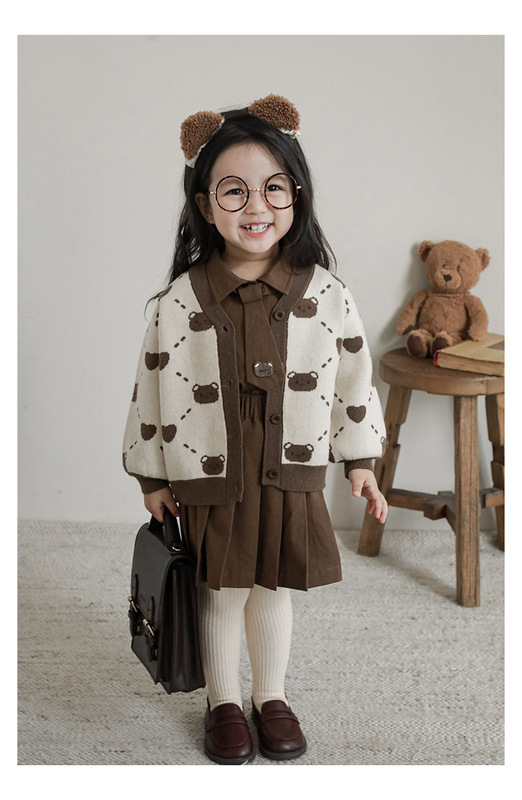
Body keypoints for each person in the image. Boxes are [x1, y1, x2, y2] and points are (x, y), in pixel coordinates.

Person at [123, 94, 388, 765]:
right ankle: (221, 701)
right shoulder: (178, 301)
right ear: (205, 204)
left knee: (271, 585)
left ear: (296, 195)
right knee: (220, 589)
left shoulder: (326, 294)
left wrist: (360, 462)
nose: (256, 206)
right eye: (234, 190)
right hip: (211, 473)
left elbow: (352, 380)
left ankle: (270, 696)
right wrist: (152, 476)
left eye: (274, 187)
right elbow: (152, 387)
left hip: (287, 469)